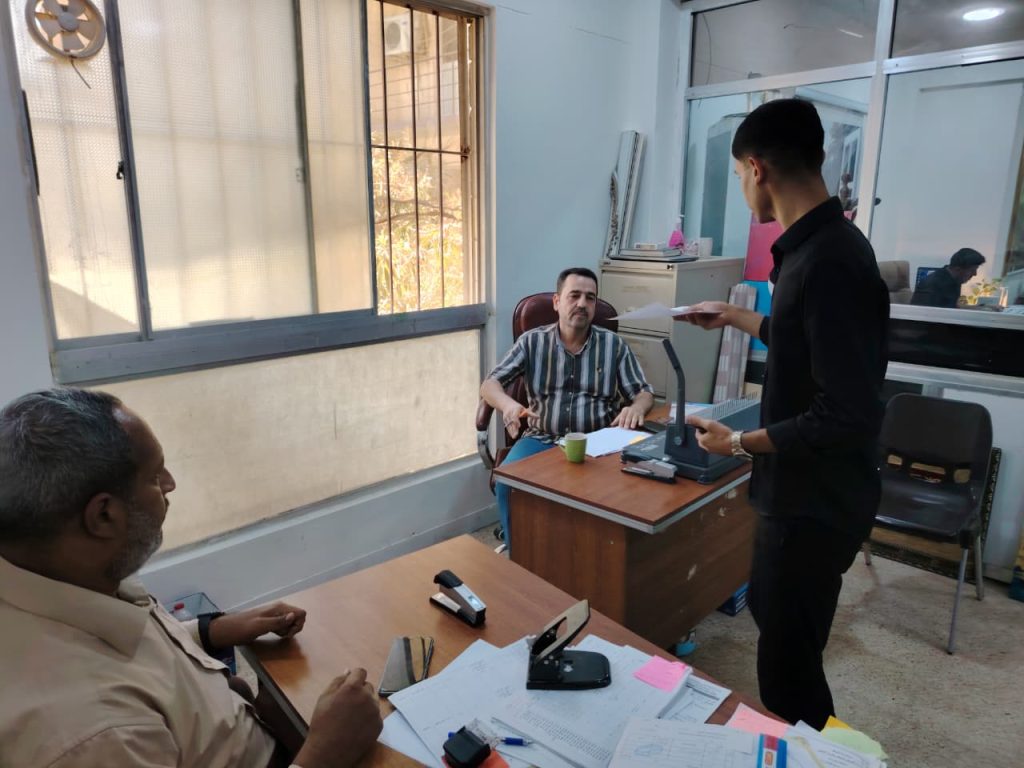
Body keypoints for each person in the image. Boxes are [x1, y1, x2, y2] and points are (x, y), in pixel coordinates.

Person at [0, 388, 382, 768]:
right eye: (155, 475)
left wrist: (212, 631)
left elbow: (134, 655)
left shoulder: (58, 576)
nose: (170, 484)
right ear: (103, 516)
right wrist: (325, 754)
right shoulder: (96, 735)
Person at [680, 99, 889, 729]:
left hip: (813, 504)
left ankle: (823, 756)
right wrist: (733, 316)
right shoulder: (817, 248)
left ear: (756, 168)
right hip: (797, 495)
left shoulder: (830, 261)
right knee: (777, 628)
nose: (742, 187)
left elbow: (843, 413)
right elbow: (801, 341)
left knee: (788, 678)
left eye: (737, 175)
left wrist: (738, 443)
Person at [480, 267, 654, 549]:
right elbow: (489, 385)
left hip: (597, 442)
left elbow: (644, 392)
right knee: (508, 482)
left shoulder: (613, 345)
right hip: (541, 438)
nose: (582, 304)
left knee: (625, 493)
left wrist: (636, 407)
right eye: (574, 296)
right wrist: (508, 405)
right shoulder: (533, 342)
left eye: (590, 298)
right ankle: (518, 553)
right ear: (557, 302)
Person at [910, 247, 986, 308]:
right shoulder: (932, 285)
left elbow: (952, 308)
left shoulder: (955, 280)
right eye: (972, 270)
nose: (975, 274)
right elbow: (926, 316)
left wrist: (979, 309)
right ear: (958, 269)